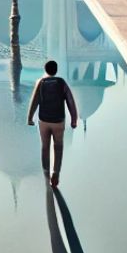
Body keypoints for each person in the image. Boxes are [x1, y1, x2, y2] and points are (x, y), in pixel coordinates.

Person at [25, 59, 79, 187]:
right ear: (56, 70)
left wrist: (30, 118)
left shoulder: (41, 82)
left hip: (44, 120)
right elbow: (70, 102)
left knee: (45, 147)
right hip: (58, 121)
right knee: (58, 147)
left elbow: (34, 101)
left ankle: (45, 173)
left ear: (45, 70)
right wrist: (74, 119)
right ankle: (56, 173)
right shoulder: (61, 83)